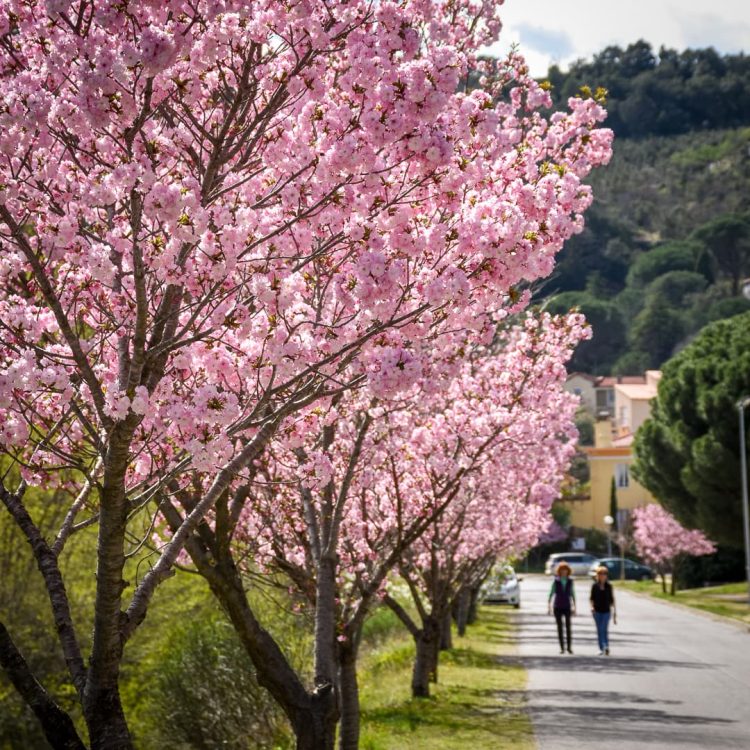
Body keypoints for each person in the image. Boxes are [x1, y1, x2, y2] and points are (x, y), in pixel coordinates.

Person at [548, 562, 576, 654]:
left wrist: (574, 606)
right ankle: (562, 648)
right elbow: (551, 592)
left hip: (567, 606)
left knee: (568, 627)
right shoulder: (556, 581)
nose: (564, 572)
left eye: (565, 570)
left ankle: (569, 647)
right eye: (562, 570)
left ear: (568, 571)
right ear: (559, 571)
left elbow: (573, 593)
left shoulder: (570, 581)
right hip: (558, 606)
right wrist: (549, 605)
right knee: (560, 627)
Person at [590, 565, 616, 655]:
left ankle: (606, 646)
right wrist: (592, 607)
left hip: (606, 611)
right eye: (600, 573)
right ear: (597, 575)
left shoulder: (609, 586)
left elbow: (612, 599)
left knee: (604, 629)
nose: (602, 575)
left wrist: (614, 612)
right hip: (597, 611)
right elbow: (592, 598)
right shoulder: (595, 586)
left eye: (604, 573)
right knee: (599, 630)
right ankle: (601, 648)